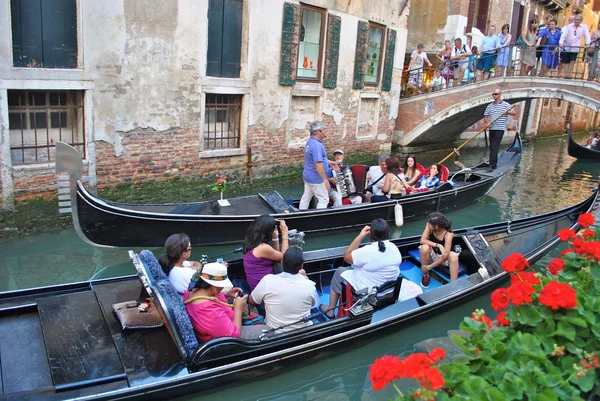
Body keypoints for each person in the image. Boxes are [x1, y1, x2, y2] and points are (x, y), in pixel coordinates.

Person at [320, 219, 401, 318]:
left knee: (339, 271)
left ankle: (330, 311)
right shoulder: (394, 248)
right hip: (388, 292)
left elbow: (346, 257)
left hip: (369, 295)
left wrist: (360, 235)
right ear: (388, 233)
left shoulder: (368, 251)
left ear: (371, 234)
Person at [183, 263, 267, 341]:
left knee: (252, 308)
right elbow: (233, 336)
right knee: (269, 331)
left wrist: (226, 294)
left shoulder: (192, 291)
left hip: (225, 324)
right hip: (226, 341)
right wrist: (238, 309)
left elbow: (212, 298)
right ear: (215, 287)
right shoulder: (208, 310)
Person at [250, 247, 319, 333]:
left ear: (282, 263)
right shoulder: (310, 286)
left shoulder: (267, 281)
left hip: (275, 333)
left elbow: (252, 301)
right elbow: (313, 305)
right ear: (301, 266)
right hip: (303, 332)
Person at [243, 215, 289, 292]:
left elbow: (276, 254)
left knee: (301, 273)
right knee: (301, 274)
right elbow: (285, 257)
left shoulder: (251, 242)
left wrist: (275, 237)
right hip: (264, 288)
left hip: (263, 282)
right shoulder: (262, 248)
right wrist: (285, 234)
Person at [299, 121, 336, 210]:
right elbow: (318, 164)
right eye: (324, 130)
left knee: (306, 198)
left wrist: (328, 162)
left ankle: (301, 214)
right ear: (318, 131)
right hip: (316, 179)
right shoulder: (316, 145)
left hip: (308, 176)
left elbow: (315, 158)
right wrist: (325, 179)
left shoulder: (310, 141)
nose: (325, 133)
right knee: (323, 199)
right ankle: (319, 219)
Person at [419, 212, 460, 288]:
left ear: (436, 227)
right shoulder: (430, 228)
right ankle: (426, 275)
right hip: (433, 255)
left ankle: (453, 285)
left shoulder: (448, 234)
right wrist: (439, 245)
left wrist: (429, 267)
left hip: (443, 259)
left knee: (453, 256)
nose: (427, 224)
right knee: (424, 247)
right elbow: (422, 240)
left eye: (429, 223)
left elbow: (445, 256)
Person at [483, 89, 516, 171]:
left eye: (496, 94)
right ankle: (492, 162)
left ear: (500, 94)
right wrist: (487, 123)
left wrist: (507, 112)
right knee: (492, 147)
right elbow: (485, 116)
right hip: (492, 128)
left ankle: (492, 165)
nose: (494, 95)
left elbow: (514, 113)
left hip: (500, 129)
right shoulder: (490, 106)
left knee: (495, 147)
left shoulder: (505, 105)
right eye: (493, 94)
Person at [559, 14, 591, 78]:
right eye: (575, 20)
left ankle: (568, 74)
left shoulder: (584, 27)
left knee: (572, 61)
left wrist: (588, 43)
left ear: (581, 21)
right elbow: (564, 35)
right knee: (566, 62)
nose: (576, 21)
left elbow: (587, 35)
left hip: (575, 47)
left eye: (578, 20)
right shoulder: (570, 26)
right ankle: (566, 75)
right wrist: (561, 42)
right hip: (567, 46)